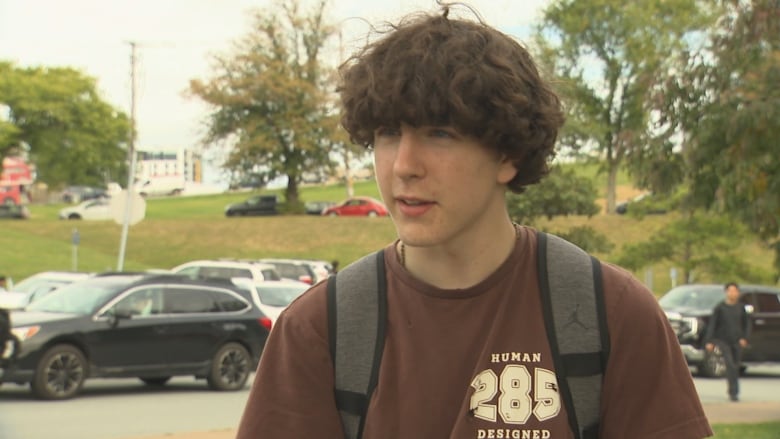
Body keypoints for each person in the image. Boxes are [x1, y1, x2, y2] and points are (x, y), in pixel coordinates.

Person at [236, 6, 712, 439]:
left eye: (438, 133)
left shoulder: (610, 314)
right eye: (387, 133)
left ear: (508, 154)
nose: (404, 164)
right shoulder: (319, 329)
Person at [704, 282, 750, 402]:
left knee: (735, 365)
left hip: (737, 341)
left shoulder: (741, 308)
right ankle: (733, 392)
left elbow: (746, 324)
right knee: (730, 365)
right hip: (723, 340)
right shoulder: (720, 308)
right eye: (730, 291)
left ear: (738, 293)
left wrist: (744, 338)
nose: (732, 293)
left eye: (735, 291)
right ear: (726, 292)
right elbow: (712, 325)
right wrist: (709, 341)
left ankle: (734, 390)